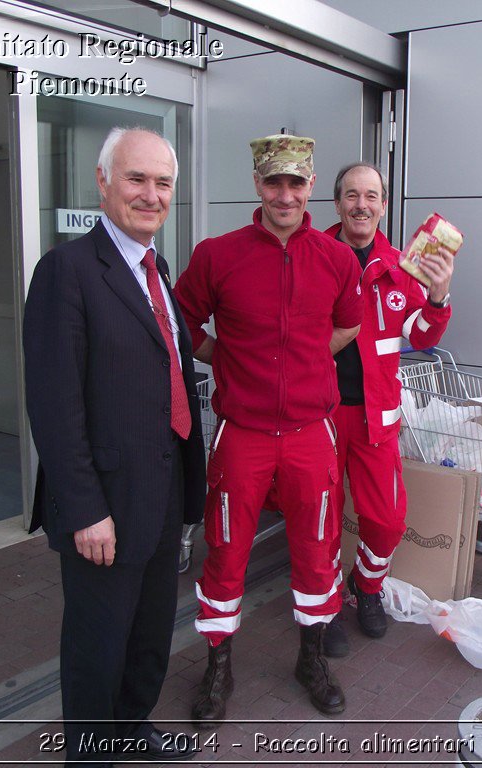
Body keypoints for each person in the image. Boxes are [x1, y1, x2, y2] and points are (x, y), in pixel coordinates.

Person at [23, 127, 206, 765]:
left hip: (162, 493)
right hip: (106, 504)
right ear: (103, 182)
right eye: (136, 179)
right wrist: (84, 510)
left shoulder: (158, 275)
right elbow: (53, 405)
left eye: (162, 183)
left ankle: (132, 732)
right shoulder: (67, 271)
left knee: (150, 634)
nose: (151, 195)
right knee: (98, 642)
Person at [174, 134, 363, 727]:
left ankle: (312, 659)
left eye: (297, 183)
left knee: (317, 547)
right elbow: (181, 320)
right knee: (226, 549)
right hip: (244, 433)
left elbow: (349, 326)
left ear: (311, 188)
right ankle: (218, 667)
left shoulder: (335, 259)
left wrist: (308, 360)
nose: (286, 194)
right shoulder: (217, 254)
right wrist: (220, 358)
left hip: (312, 432)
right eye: (274, 182)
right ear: (257, 184)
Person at [321, 162, 455, 655]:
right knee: (323, 520)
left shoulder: (404, 266)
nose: (361, 204)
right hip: (320, 417)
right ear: (337, 204)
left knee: (388, 520)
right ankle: (327, 605)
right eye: (352, 195)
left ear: (382, 204)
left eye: (371, 195)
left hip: (376, 418)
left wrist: (438, 296)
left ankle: (368, 586)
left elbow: (420, 337)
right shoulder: (314, 257)